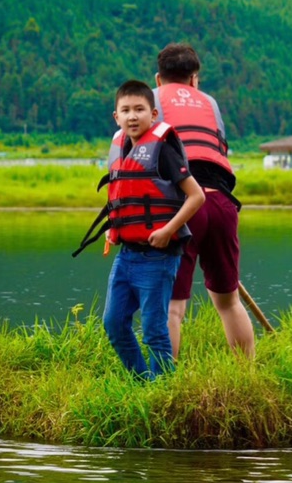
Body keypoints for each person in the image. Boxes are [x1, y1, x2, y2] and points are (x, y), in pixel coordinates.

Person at [153, 43, 256, 359]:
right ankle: (247, 376)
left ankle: (163, 384)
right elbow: (219, 149)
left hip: (183, 207)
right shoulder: (210, 103)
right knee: (229, 302)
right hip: (222, 205)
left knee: (172, 308)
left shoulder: (149, 100)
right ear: (194, 79)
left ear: (159, 79)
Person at [99, 79, 205, 379]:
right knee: (114, 323)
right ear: (116, 117)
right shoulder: (120, 147)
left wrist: (168, 229)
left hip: (160, 255)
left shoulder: (163, 150)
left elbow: (197, 196)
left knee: (155, 329)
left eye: (139, 109)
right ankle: (144, 383)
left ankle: (163, 391)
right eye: (126, 110)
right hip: (127, 254)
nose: (133, 116)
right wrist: (114, 227)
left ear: (154, 114)